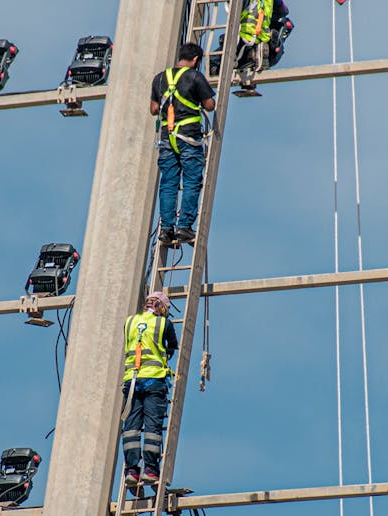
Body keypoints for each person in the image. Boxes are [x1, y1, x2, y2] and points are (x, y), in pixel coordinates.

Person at [151, 43, 216, 246]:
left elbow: (154, 109)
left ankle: (166, 229)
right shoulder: (195, 77)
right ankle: (184, 227)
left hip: (166, 139)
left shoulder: (160, 77)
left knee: (168, 183)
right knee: (191, 181)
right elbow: (210, 105)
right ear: (196, 60)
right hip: (188, 138)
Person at [121, 292, 178, 486]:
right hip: (153, 380)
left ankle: (131, 470)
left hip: (132, 382)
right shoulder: (164, 324)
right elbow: (173, 346)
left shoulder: (129, 322)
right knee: (153, 428)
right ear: (162, 307)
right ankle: (151, 470)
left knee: (131, 428)